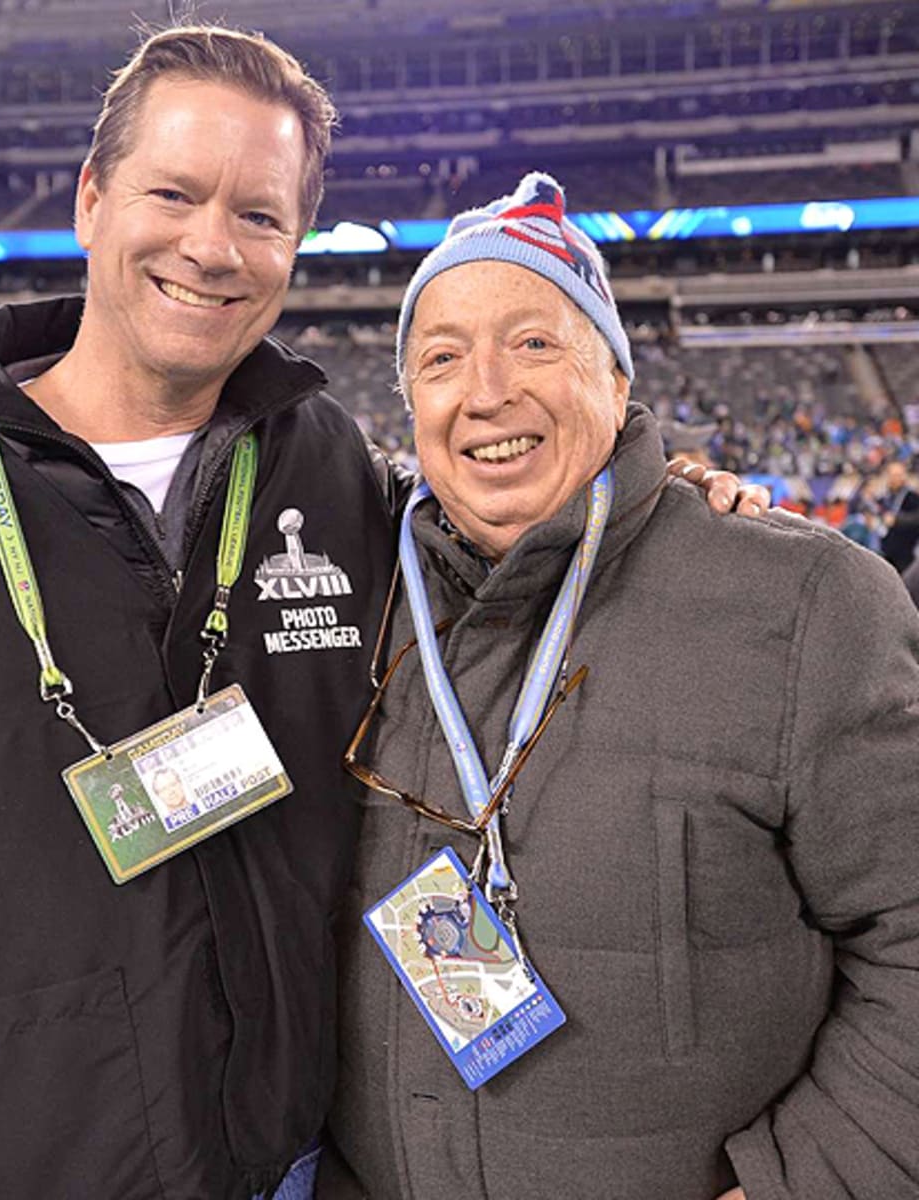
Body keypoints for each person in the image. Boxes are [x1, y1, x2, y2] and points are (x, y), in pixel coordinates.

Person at [0, 29, 758, 1200]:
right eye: (174, 192)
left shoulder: (345, 480)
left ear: (294, 247)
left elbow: (520, 560)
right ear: (93, 199)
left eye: (260, 216)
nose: (212, 246)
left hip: (307, 1166)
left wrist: (660, 503)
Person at [321, 172, 919, 1200]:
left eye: (536, 343)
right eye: (442, 358)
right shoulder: (346, 595)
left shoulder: (810, 601)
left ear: (617, 379)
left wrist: (812, 1182)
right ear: (410, 403)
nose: (487, 390)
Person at [878, 458, 919, 573]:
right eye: (892, 475)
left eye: (899, 475)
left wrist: (898, 520)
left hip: (906, 553)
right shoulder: (885, 497)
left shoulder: (911, 497)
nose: (895, 478)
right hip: (886, 550)